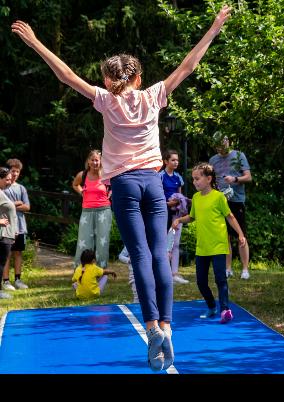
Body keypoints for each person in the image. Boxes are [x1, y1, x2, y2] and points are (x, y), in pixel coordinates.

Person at [12, 4, 231, 371]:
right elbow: (189, 66)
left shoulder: (105, 100)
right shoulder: (153, 96)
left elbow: (65, 75)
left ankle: (151, 328)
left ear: (109, 78)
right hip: (152, 183)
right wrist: (213, 27)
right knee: (159, 255)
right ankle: (167, 327)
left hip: (125, 187)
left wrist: (35, 42)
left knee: (141, 257)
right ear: (139, 78)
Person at [172, 163, 246, 323]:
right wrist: (179, 219)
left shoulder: (219, 197)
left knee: (220, 279)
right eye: (193, 179)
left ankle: (225, 309)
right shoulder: (197, 198)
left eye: (197, 178)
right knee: (201, 282)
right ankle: (212, 306)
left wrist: (240, 234)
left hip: (218, 245)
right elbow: (192, 217)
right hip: (202, 247)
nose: (195, 182)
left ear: (209, 179)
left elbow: (230, 217)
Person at [209, 131, 252, 280]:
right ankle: (228, 268)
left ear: (228, 141)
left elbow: (248, 177)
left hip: (237, 200)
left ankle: (245, 269)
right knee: (224, 236)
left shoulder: (239, 156)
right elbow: (211, 180)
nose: (221, 148)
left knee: (241, 235)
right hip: (220, 201)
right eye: (218, 145)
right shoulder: (213, 160)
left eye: (223, 143)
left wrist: (234, 179)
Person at [71, 150, 112, 269]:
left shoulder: (106, 174)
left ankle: (101, 271)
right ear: (88, 161)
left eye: (97, 160)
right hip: (87, 212)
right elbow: (75, 184)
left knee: (102, 243)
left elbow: (116, 185)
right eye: (92, 160)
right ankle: (81, 270)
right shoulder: (82, 175)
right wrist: (81, 193)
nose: (95, 162)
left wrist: (111, 192)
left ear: (101, 162)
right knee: (84, 242)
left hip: (103, 210)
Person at [160, 149, 189, 284]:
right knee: (165, 243)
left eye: (177, 160)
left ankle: (175, 273)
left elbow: (180, 196)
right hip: (164, 213)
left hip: (177, 213)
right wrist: (168, 203)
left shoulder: (178, 177)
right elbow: (157, 197)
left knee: (175, 243)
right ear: (166, 161)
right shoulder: (159, 176)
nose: (176, 162)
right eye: (173, 160)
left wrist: (178, 202)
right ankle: (164, 273)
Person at [2, 159, 30, 291]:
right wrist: (16, 204)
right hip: (7, 226)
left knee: (18, 252)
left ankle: (18, 279)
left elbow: (27, 206)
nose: (15, 174)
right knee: (6, 253)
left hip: (20, 226)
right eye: (13, 171)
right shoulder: (3, 187)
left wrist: (16, 205)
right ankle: (6, 280)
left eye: (17, 172)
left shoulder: (21, 188)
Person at [0, 167, 18, 299]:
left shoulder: (2, 192)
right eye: (6, 179)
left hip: (8, 234)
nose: (9, 182)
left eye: (10, 180)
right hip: (2, 234)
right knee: (0, 263)